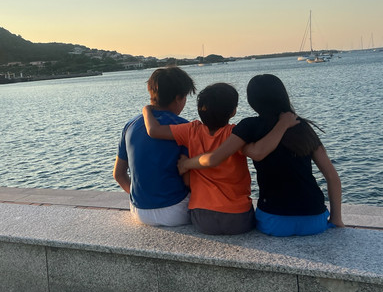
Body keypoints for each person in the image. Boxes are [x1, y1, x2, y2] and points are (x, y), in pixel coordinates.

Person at [178, 74, 344, 237]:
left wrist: (186, 164)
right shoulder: (302, 127)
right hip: (315, 220)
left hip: (274, 221)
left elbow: (229, 156)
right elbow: (332, 176)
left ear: (252, 101)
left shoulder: (249, 126)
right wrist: (336, 219)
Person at [143, 82, 299, 235]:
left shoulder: (190, 130)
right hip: (239, 219)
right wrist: (282, 125)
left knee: (183, 157)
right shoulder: (236, 134)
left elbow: (154, 130)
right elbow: (259, 151)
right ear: (233, 112)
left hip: (202, 219)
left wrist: (146, 110)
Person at [113, 66, 196, 226]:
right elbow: (190, 180)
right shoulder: (185, 127)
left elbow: (118, 174)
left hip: (139, 211)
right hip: (176, 211)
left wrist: (143, 199)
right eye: (185, 97)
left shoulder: (130, 125)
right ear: (178, 97)